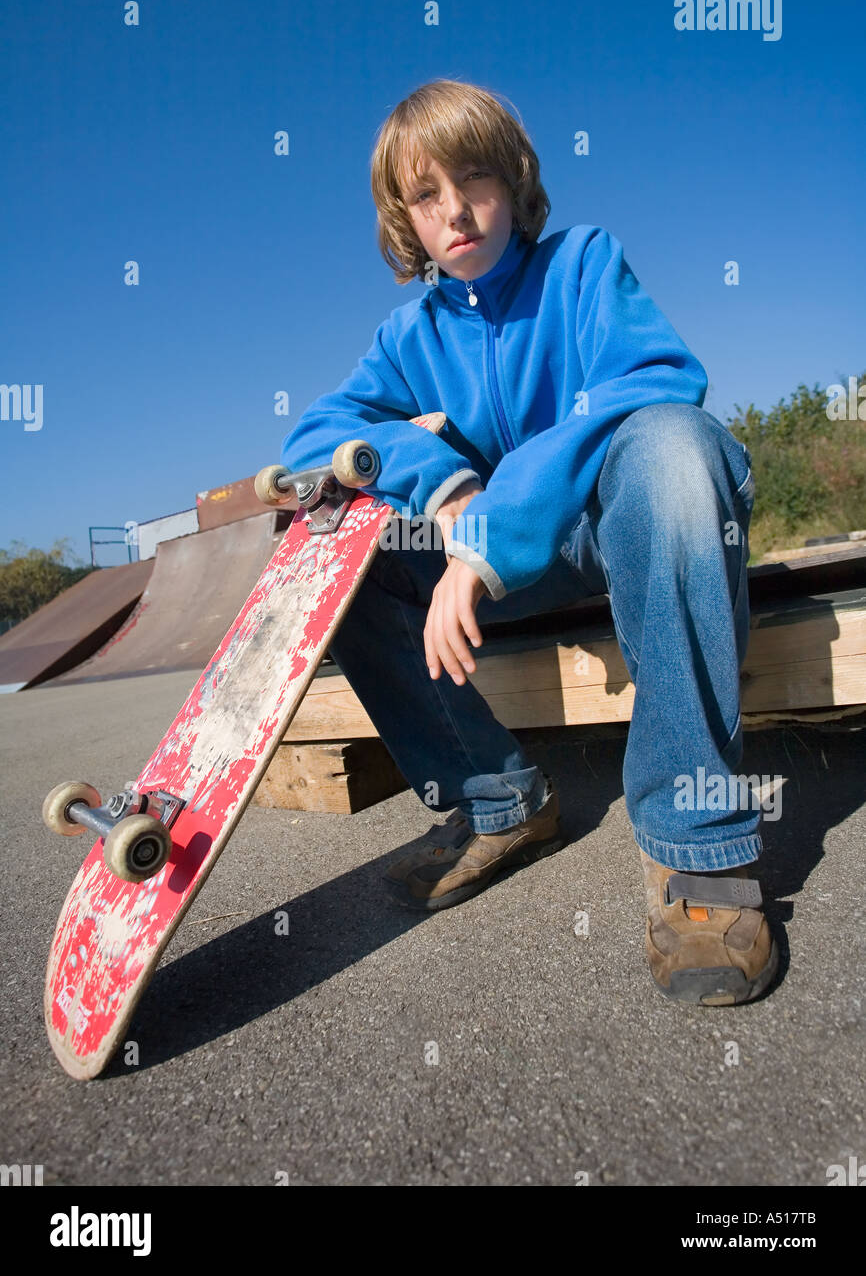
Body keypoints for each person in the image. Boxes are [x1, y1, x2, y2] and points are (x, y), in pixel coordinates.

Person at [280, 78, 778, 1007]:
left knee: (673, 448)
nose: (457, 209)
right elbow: (316, 441)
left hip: (613, 525)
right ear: (407, 220)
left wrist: (492, 527)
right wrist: (445, 483)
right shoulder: (405, 339)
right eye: (428, 195)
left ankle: (697, 847)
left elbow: (653, 377)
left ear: (514, 183)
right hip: (509, 566)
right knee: (336, 536)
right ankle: (495, 801)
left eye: (476, 179)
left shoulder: (583, 266)